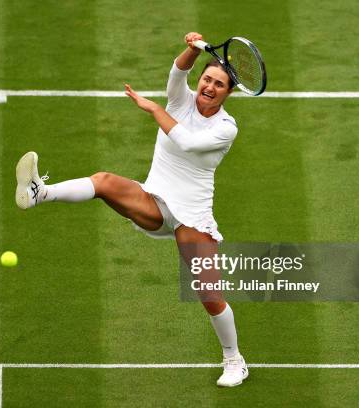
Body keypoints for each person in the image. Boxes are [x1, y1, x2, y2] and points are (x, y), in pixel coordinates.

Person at [15, 32, 248, 387]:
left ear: (229, 93)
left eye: (219, 84)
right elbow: (176, 72)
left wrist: (153, 108)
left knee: (208, 293)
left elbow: (185, 141)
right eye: (207, 79)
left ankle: (235, 361)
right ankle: (40, 192)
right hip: (154, 201)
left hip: (192, 216)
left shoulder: (226, 128)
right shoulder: (180, 100)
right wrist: (189, 49)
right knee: (105, 181)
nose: (210, 87)